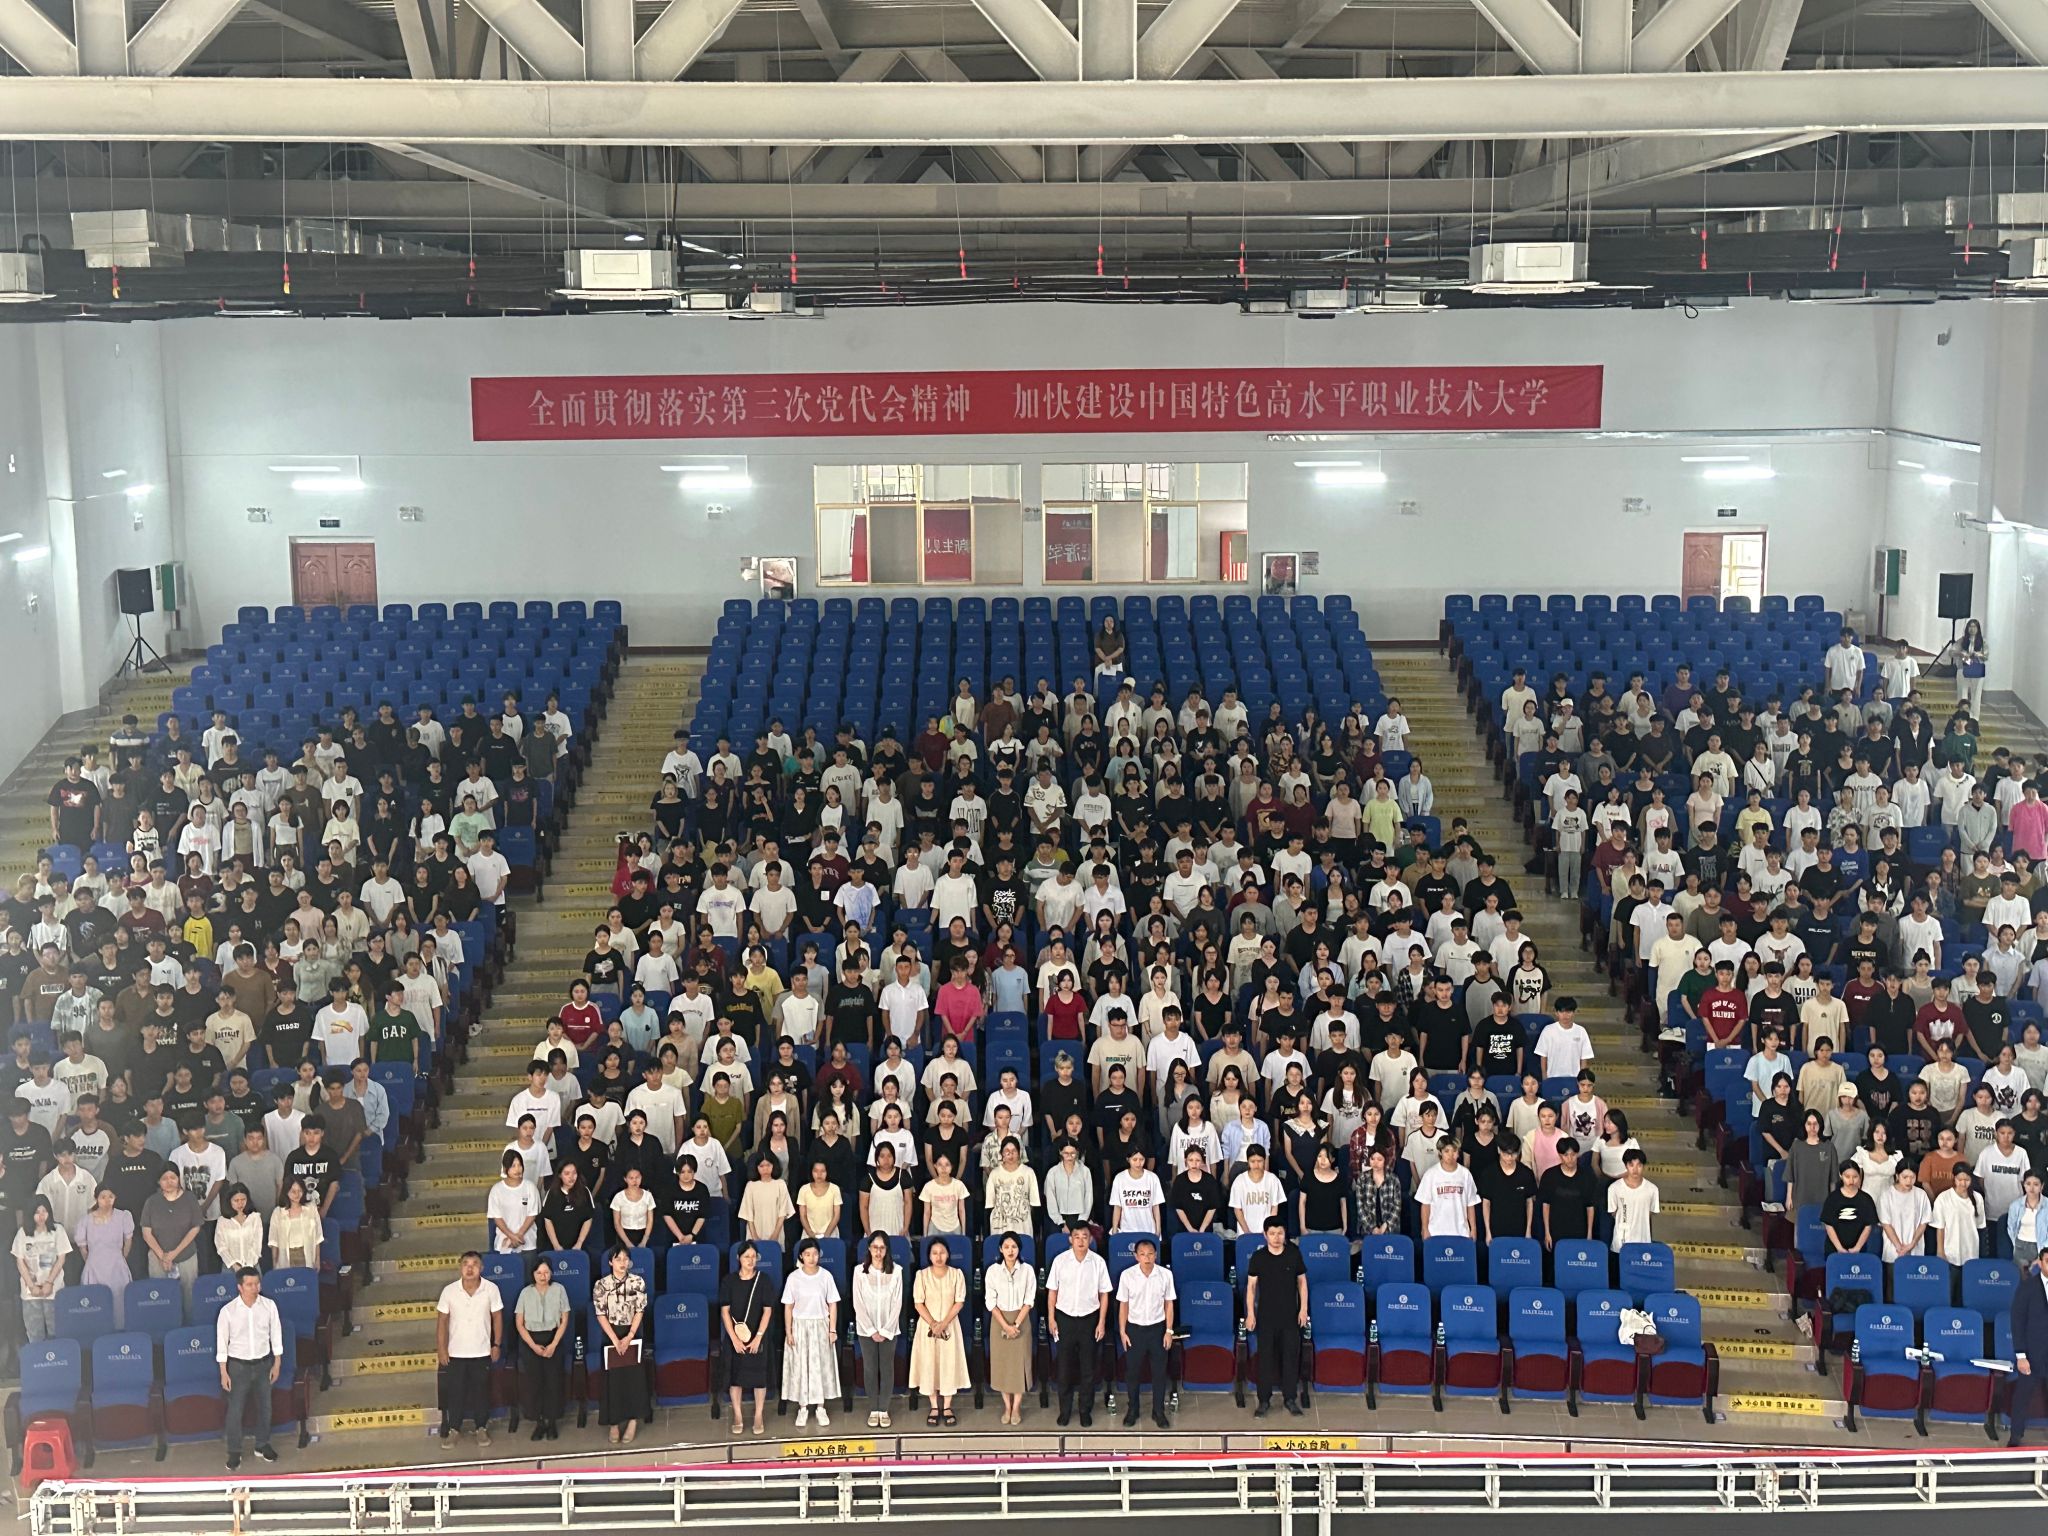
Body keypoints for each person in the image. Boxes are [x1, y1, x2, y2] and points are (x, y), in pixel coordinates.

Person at [215, 1266, 282, 1471]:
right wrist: (223, 1371)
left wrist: (277, 1362)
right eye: (250, 1284)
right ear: (240, 1287)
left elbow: (276, 1335)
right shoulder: (228, 1311)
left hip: (263, 1364)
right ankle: (234, 1451)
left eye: (257, 1283)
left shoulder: (269, 1306)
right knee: (235, 1411)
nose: (255, 1288)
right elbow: (222, 1343)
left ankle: (262, 1444)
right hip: (238, 1366)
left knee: (265, 1407)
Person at [435, 1251, 503, 1446]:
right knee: (455, 1392)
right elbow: (442, 1321)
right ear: (460, 1267)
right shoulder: (449, 1291)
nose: (470, 1268)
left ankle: (481, 1428)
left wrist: (496, 1344)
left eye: (474, 1264)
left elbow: (497, 1317)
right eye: (466, 1263)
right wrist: (441, 1349)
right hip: (456, 1352)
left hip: (482, 1351)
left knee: (481, 1392)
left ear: (481, 1268)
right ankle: (454, 1429)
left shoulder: (491, 1289)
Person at [1046, 1222, 1111, 1427]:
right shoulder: (1060, 1261)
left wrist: (1101, 1322)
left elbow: (1104, 1294)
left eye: (1085, 1236)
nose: (1081, 1240)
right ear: (1070, 1239)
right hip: (1064, 1318)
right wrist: (1051, 1318)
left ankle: (1084, 1410)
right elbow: (1052, 1292)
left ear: (1090, 1239)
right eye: (1077, 1236)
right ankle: (1065, 1411)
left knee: (1088, 1368)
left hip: (1089, 1320)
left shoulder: (1098, 1262)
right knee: (1064, 1368)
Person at [1245, 1217, 1307, 1416]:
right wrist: (1250, 1314)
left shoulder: (1293, 1254)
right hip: (1266, 1317)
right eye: (1272, 1233)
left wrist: (1303, 1309)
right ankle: (1264, 1400)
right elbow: (1251, 1287)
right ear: (1265, 1235)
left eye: (1280, 1233)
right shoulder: (1258, 1257)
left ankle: (1290, 1399)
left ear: (1284, 1234)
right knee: (1265, 1359)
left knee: (1290, 1358)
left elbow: (1302, 1283)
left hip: (1290, 1316)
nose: (1276, 1237)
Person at [592, 1244, 651, 1444]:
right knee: (613, 1380)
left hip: (632, 1332)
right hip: (611, 1334)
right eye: (618, 1259)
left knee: (634, 1378)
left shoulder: (637, 1282)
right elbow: (600, 1314)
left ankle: (633, 1421)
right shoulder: (601, 1285)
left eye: (626, 1259)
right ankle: (614, 1423)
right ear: (611, 1262)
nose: (622, 1263)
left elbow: (640, 1310)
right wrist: (615, 1340)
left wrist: (630, 1336)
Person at [781, 1239, 843, 1428]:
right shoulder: (793, 1277)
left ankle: (820, 1407)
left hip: (820, 1326)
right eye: (807, 1254)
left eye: (815, 1254)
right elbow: (788, 1307)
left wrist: (832, 1329)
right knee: (801, 1367)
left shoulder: (825, 1276)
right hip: (800, 1326)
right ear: (801, 1256)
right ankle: (803, 1408)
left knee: (820, 1367)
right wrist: (789, 1331)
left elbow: (833, 1304)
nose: (811, 1258)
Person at [1116, 1235, 1176, 1429]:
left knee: (1159, 1373)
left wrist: (1169, 1331)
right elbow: (1123, 1305)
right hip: (1135, 1330)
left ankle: (1158, 1411)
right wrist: (1123, 1331)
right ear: (1136, 1256)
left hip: (1158, 1329)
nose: (1147, 1257)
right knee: (1133, 1373)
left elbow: (1169, 1304)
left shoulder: (1165, 1275)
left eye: (1150, 1253)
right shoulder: (1127, 1275)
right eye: (1142, 1254)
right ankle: (1133, 1410)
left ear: (1156, 1255)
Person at [909, 1235, 970, 1425]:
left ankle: (948, 1406)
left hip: (950, 1326)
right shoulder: (922, 1275)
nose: (938, 1256)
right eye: (934, 1253)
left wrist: (943, 1324)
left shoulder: (956, 1274)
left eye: (942, 1252)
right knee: (930, 1364)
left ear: (948, 1254)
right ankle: (934, 1406)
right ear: (929, 1256)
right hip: (927, 1328)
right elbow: (918, 1303)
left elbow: (959, 1301)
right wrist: (934, 1324)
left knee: (948, 1363)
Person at [513, 1256, 570, 1442]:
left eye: (546, 1272)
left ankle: (552, 1422)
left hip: (554, 1338)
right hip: (531, 1341)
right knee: (534, 1383)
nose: (543, 1276)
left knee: (553, 1382)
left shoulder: (559, 1289)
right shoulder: (525, 1293)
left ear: (551, 1273)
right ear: (533, 1274)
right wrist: (533, 1346)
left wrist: (553, 1344)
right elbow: (519, 1324)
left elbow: (564, 1320)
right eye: (539, 1272)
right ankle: (539, 1422)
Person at [721, 1241, 775, 1434]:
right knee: (735, 1377)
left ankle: (758, 1415)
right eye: (746, 1257)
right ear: (738, 1258)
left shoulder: (764, 1280)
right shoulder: (729, 1281)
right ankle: (737, 1415)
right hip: (735, 1337)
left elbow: (767, 1310)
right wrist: (734, 1339)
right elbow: (725, 1311)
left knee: (759, 1377)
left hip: (758, 1336)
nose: (751, 1260)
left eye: (754, 1257)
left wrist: (758, 1337)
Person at [984, 1230, 1036, 1425]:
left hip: (1021, 1319)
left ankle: (1016, 1407)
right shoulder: (992, 1271)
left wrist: (1015, 1325)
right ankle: (1007, 1406)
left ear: (1019, 1249)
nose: (1010, 1250)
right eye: (1006, 1247)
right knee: (1003, 1366)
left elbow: (1029, 1300)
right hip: (999, 1321)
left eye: (1014, 1247)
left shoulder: (1027, 1270)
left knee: (1019, 1365)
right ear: (1000, 1249)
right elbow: (990, 1302)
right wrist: (1006, 1326)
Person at [852, 1232, 903, 1430]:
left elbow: (897, 1302)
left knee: (887, 1368)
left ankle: (884, 1409)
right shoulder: (859, 1272)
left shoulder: (896, 1271)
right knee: (870, 1368)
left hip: (890, 1329)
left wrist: (886, 1329)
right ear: (869, 1248)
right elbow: (858, 1303)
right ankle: (874, 1408)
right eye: (875, 1247)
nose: (878, 1252)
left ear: (887, 1249)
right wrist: (872, 1329)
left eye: (882, 1248)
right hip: (866, 1330)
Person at [2010, 1249, 2048, 1446]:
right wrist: (2020, 1355)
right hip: (2032, 1354)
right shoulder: (2028, 1287)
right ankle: (2015, 1436)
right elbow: (2017, 1321)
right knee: (2022, 1396)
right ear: (2040, 1263)